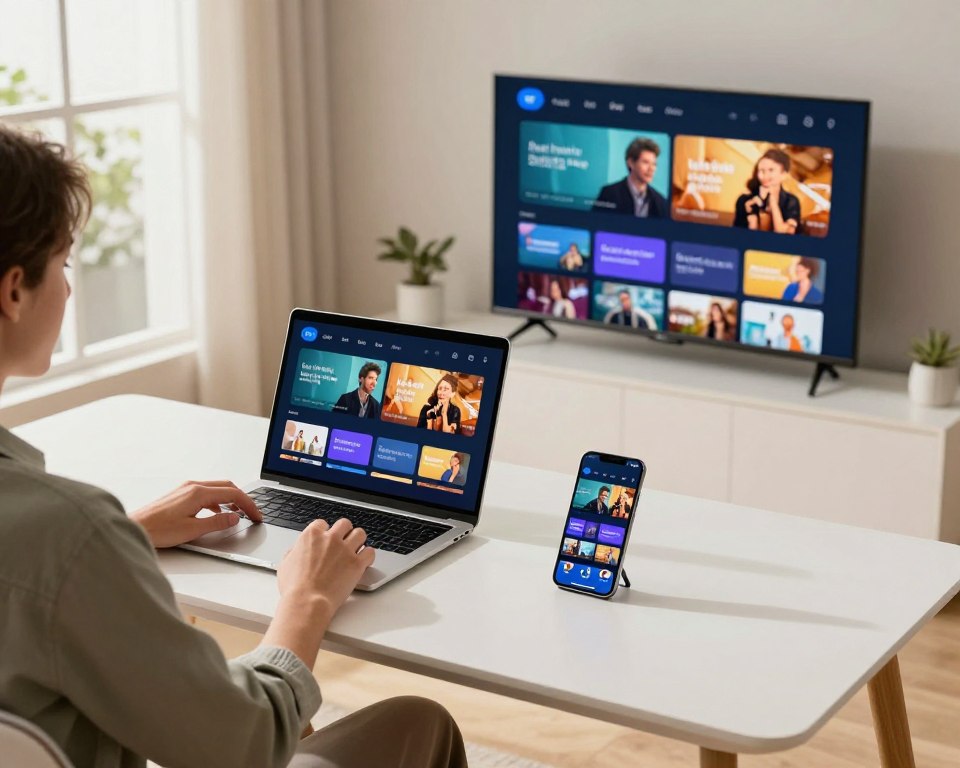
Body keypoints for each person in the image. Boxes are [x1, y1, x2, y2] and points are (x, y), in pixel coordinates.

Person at [0, 124, 466, 768]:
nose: (69, 287)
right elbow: (241, 744)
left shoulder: (59, 536)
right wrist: (308, 600)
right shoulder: (64, 532)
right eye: (64, 264)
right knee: (419, 722)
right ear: (14, 290)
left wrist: (121, 537)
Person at [593, 138, 669, 218]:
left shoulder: (661, 202)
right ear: (631, 163)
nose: (651, 169)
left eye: (654, 164)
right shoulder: (609, 194)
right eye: (646, 162)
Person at [733, 148, 802, 234]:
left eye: (771, 170)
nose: (765, 176)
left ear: (783, 174)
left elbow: (784, 233)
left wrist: (773, 203)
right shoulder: (744, 200)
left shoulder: (791, 201)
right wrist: (751, 216)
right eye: (761, 171)